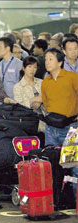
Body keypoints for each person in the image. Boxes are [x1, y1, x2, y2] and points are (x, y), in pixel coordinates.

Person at [41, 48, 78, 193]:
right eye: (45, 59)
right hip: (51, 129)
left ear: (60, 62)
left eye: (50, 59)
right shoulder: (45, 82)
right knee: (51, 166)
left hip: (70, 127)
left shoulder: (72, 77)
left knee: (74, 166)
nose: (47, 62)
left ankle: (76, 201)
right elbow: (47, 104)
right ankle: (53, 200)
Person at [13, 56, 45, 132]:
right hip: (28, 120)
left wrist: (40, 101)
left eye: (35, 67)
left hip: (44, 118)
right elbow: (19, 106)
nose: (32, 70)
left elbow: (49, 98)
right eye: (29, 67)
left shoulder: (42, 82)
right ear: (24, 68)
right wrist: (32, 101)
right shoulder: (18, 86)